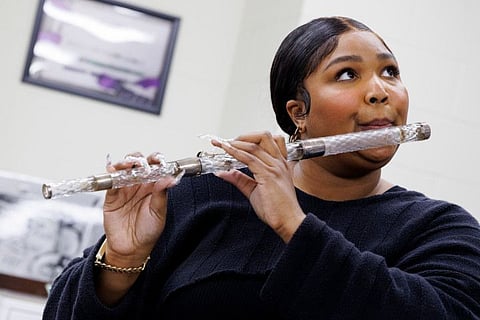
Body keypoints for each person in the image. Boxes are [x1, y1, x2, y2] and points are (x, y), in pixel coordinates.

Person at [43, 16, 480, 319]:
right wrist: (121, 259)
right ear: (297, 112)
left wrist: (295, 225)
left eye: (391, 71)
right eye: (347, 74)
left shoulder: (440, 230)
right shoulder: (199, 197)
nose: (381, 91)